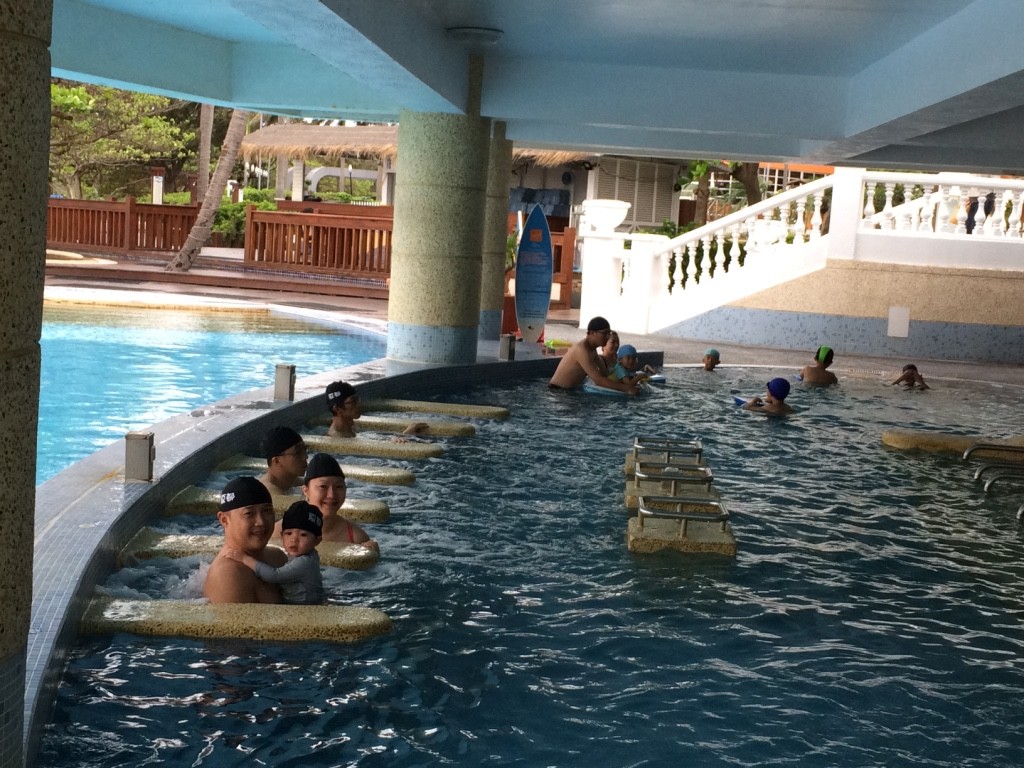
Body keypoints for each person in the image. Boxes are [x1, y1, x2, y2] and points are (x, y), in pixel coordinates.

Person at [223, 500, 324, 605]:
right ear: (282, 535)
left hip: (305, 609)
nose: (294, 540)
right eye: (288, 533)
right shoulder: (309, 554)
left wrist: (245, 559)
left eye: (303, 535)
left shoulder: (304, 562)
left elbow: (274, 576)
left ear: (317, 540)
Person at [204, 476, 286, 604]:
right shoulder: (228, 575)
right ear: (224, 520)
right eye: (249, 514)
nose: (261, 522)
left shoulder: (277, 557)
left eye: (267, 511)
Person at [298, 452, 380, 553]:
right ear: (306, 491)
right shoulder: (280, 530)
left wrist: (373, 553)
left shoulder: (356, 538)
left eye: (339, 487)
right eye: (323, 486)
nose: (331, 495)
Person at [548, 316, 639, 395]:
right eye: (604, 333)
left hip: (571, 391)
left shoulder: (592, 349)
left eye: (609, 333)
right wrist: (626, 388)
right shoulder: (582, 349)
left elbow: (605, 373)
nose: (607, 337)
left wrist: (625, 376)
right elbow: (598, 380)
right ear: (592, 333)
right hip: (558, 393)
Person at [326, 380, 427, 439]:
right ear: (337, 409)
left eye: (358, 399)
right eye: (353, 401)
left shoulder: (350, 429)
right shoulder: (336, 437)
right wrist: (405, 435)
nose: (359, 404)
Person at [257, 426, 308, 495]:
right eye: (298, 452)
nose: (305, 457)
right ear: (276, 461)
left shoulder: (291, 480)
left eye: (304, 450)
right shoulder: (269, 492)